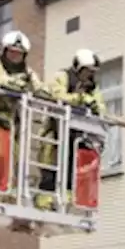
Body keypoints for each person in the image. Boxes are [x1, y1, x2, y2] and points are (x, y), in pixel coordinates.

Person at [39, 49, 106, 211]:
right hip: (55, 131)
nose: (90, 75)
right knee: (50, 168)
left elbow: (101, 106)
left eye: (92, 72)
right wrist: (80, 99)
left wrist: (95, 106)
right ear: (79, 68)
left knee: (71, 170)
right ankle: (44, 202)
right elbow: (58, 97)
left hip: (76, 135)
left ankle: (66, 201)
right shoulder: (62, 77)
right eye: (88, 71)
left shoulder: (92, 87)